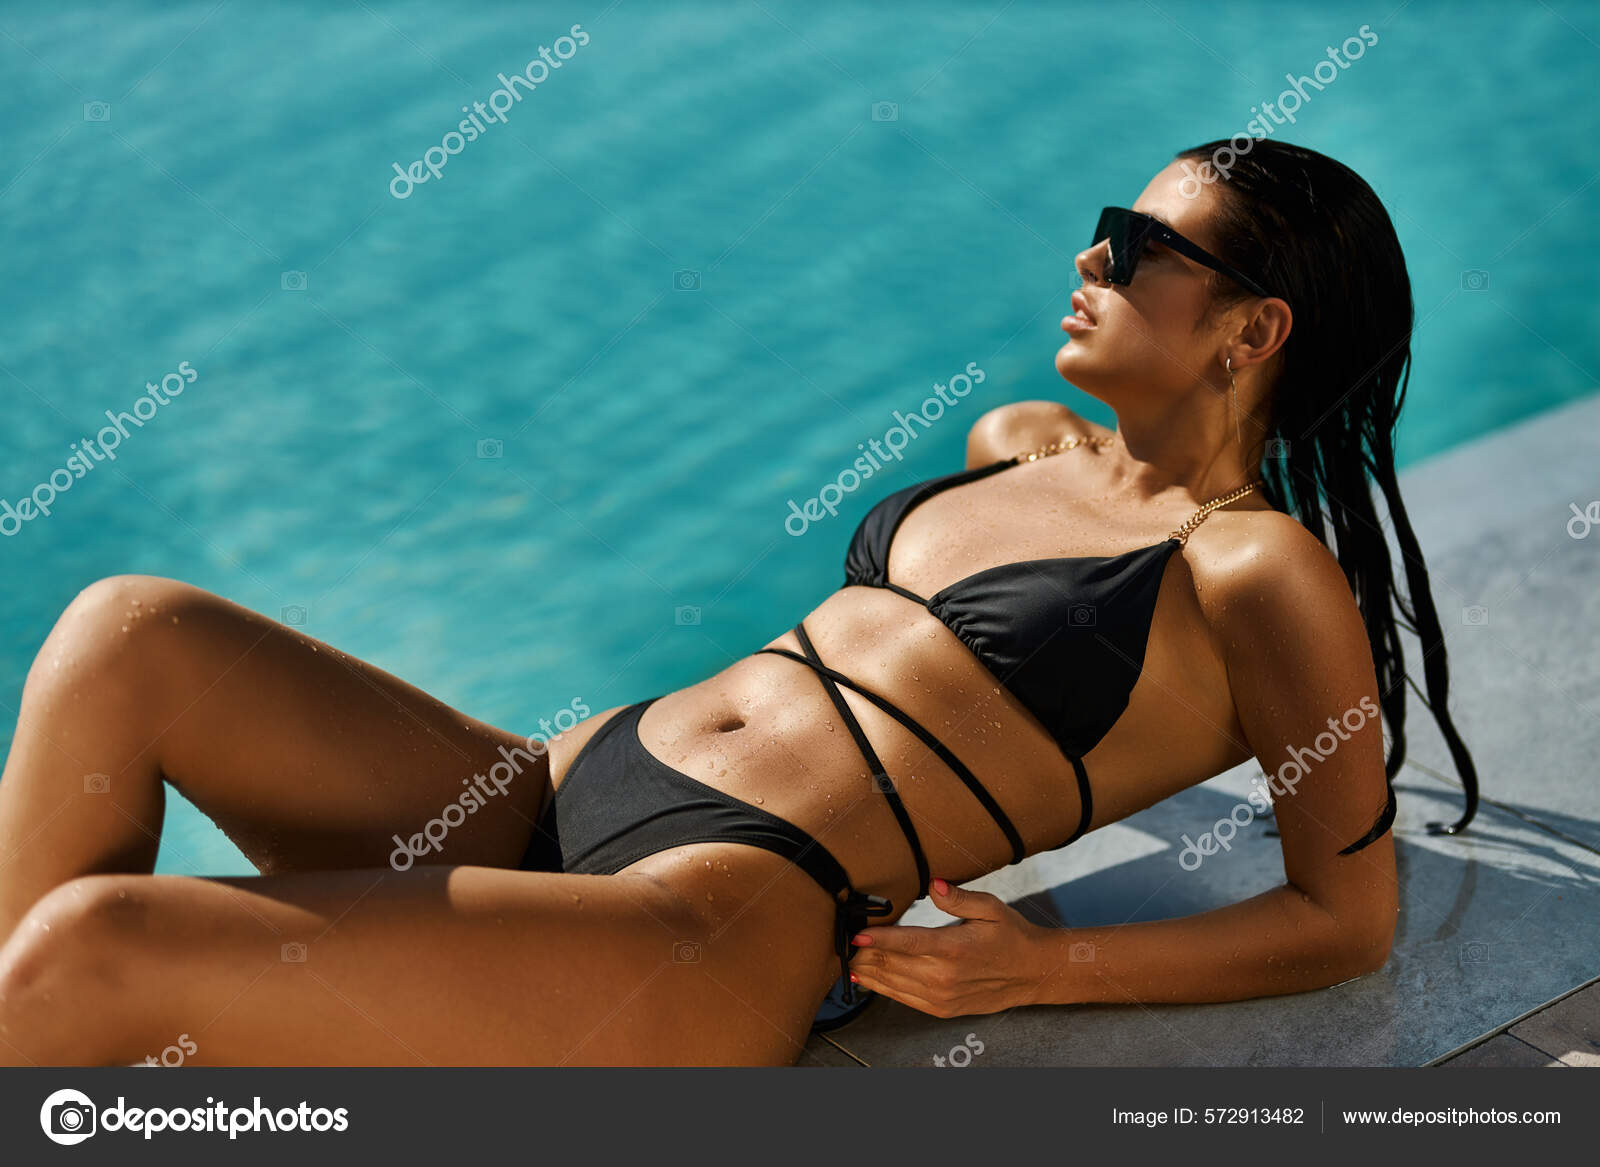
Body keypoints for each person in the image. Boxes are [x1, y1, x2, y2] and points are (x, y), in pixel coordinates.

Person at [0, 139, 1478, 1066]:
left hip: (701, 930)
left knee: (103, 946)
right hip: (539, 807)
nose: (1091, 258)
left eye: (1144, 247)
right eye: (1110, 223)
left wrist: (1040, 967)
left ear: (1252, 329)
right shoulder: (1020, 442)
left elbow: (1344, 918)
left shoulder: (1254, 570)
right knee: (130, 633)